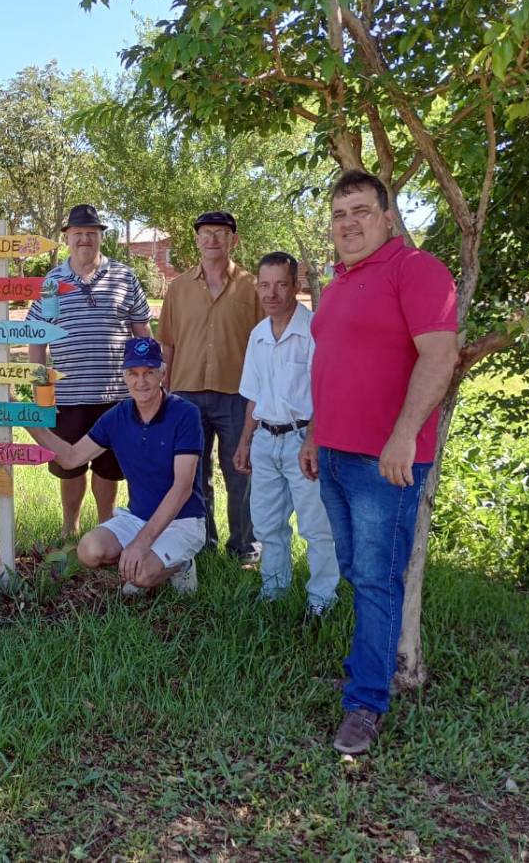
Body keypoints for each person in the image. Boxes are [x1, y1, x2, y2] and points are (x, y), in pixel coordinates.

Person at [299, 170, 459, 755]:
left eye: (361, 211)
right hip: (336, 457)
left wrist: (404, 436)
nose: (349, 224)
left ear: (388, 217)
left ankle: (366, 702)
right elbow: (331, 368)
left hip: (384, 464)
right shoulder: (339, 284)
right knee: (356, 571)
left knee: (375, 579)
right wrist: (316, 435)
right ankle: (365, 667)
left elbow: (440, 357)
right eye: (340, 215)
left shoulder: (414, 269)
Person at [27, 337, 205, 594]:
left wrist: (141, 544)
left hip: (182, 521)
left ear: (162, 374)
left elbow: (182, 488)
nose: (140, 381)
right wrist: (27, 420)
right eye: (133, 373)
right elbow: (71, 458)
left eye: (149, 373)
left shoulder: (185, 414)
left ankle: (181, 565)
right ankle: (142, 561)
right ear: (124, 376)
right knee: (89, 550)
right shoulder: (118, 416)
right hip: (136, 517)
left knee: (141, 576)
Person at [26, 203, 152, 536]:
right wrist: (42, 392)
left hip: (116, 396)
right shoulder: (51, 283)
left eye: (91, 233)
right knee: (70, 467)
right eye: (78, 233)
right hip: (67, 395)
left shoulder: (124, 276)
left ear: (100, 238)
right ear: (67, 237)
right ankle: (70, 528)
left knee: (109, 468)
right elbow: (37, 342)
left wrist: (148, 386)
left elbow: (143, 334)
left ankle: (106, 527)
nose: (85, 239)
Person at [233, 252, 338, 617]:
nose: (272, 292)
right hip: (265, 440)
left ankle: (322, 599)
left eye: (280, 284)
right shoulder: (258, 335)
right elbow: (253, 395)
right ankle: (274, 590)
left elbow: (327, 392)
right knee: (267, 524)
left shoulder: (314, 330)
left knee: (315, 526)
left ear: (296, 285)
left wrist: (312, 440)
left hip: (302, 441)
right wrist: (245, 441)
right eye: (264, 285)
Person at [157, 211, 262, 563]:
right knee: (192, 474)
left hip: (238, 394)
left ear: (234, 239)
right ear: (197, 240)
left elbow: (265, 343)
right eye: (205, 233)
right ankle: (201, 543)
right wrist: (163, 392)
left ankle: (245, 548)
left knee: (241, 472)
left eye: (220, 233)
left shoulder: (252, 286)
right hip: (185, 395)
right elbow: (167, 343)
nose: (212, 239)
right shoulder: (179, 287)